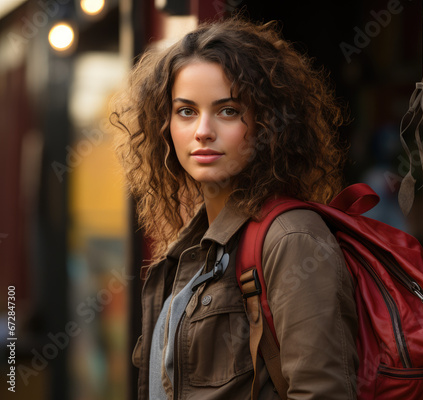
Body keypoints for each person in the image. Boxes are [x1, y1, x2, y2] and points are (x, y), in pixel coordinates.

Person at [111, 16, 358, 400]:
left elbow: (323, 392)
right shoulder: (191, 248)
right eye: (186, 111)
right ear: (165, 126)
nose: (202, 130)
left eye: (227, 110)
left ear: (267, 124)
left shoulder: (292, 238)